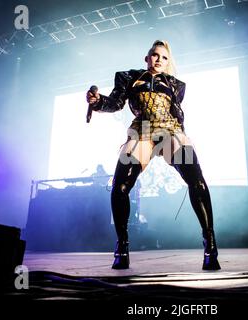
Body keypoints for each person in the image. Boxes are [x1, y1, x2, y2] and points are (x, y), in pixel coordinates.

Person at [86, 40, 220, 270]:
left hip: (170, 130)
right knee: (120, 186)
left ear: (169, 63)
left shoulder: (176, 85)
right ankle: (122, 245)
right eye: (155, 55)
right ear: (147, 58)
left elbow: (175, 113)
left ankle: (210, 243)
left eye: (164, 57)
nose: (159, 60)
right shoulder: (130, 78)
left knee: (196, 180)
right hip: (143, 130)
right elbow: (115, 102)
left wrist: (184, 136)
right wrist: (98, 102)